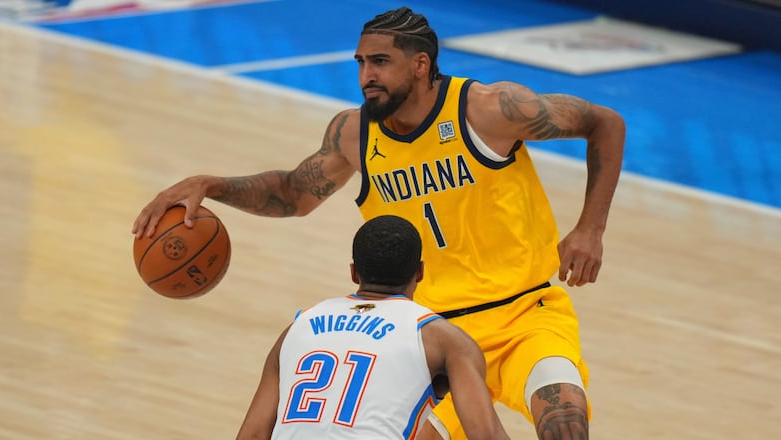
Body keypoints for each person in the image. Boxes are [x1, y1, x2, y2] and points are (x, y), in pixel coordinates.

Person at [133, 6, 625, 440]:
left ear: (420, 64)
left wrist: (590, 229)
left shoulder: (489, 109)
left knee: (565, 423)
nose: (366, 75)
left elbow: (606, 123)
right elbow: (292, 194)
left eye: (380, 62)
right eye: (361, 63)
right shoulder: (354, 133)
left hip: (525, 313)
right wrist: (211, 184)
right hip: (429, 334)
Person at [235, 215, 510, 440]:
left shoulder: (298, 327)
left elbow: (253, 434)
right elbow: (485, 434)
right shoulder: (441, 339)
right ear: (420, 272)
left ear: (354, 272)